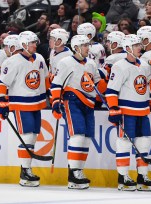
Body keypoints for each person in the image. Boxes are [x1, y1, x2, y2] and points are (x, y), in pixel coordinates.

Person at [50, 34, 105, 189]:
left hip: (89, 103)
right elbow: (56, 85)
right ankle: (73, 173)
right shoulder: (66, 63)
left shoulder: (91, 63)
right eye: (85, 45)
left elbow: (96, 83)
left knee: (87, 138)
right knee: (78, 136)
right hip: (72, 101)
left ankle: (79, 171)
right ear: (76, 47)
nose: (88, 48)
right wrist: (55, 103)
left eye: (88, 45)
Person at [0, 31, 49, 187]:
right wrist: (2, 102)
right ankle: (25, 171)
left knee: (32, 136)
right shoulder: (12, 62)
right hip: (21, 104)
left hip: (37, 103)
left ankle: (26, 170)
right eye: (32, 42)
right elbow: (1, 83)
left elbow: (45, 78)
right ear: (24, 44)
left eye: (35, 42)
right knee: (26, 136)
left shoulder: (39, 58)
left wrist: (53, 96)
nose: (35, 45)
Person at [106, 34, 151, 191]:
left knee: (144, 142)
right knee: (124, 143)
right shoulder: (119, 66)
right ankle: (123, 176)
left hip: (143, 110)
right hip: (126, 111)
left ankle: (142, 175)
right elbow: (111, 91)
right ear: (128, 48)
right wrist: (113, 108)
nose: (140, 48)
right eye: (136, 45)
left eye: (139, 45)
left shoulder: (143, 64)